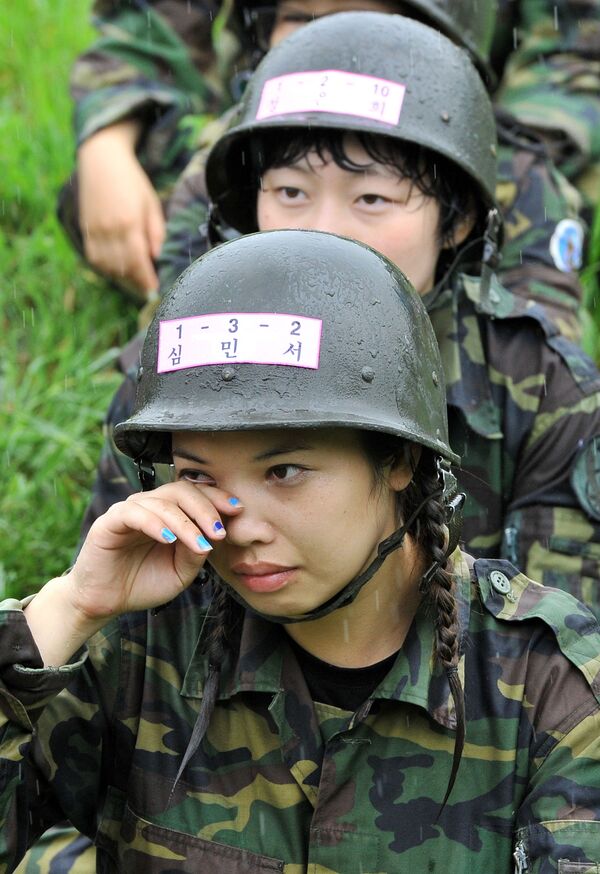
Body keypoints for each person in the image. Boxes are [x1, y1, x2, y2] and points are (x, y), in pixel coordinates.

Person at [2, 230, 600, 871]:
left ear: (399, 460)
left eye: (284, 472)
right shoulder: (141, 643)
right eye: (199, 476)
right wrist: (69, 607)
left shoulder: (551, 686)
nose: (243, 525)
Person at [83, 12, 600, 615]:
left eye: (373, 198)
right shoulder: (182, 367)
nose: (323, 232)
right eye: (291, 193)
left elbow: (565, 658)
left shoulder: (546, 391)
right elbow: (120, 636)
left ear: (456, 220)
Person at [61, 0, 599, 332]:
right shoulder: (227, 154)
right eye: (301, 18)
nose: (333, 39)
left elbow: (548, 376)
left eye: (370, 198)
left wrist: (490, 152)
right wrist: (107, 141)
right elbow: (160, 372)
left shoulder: (520, 183)